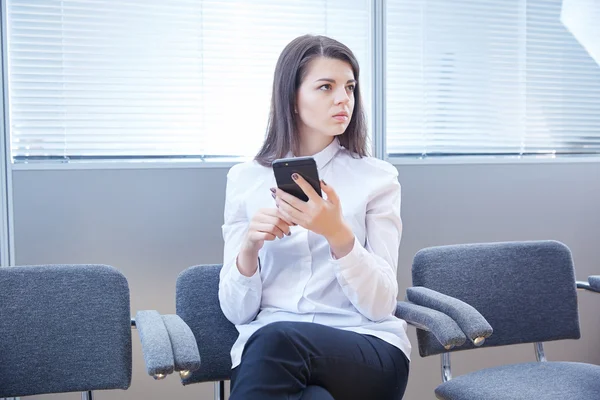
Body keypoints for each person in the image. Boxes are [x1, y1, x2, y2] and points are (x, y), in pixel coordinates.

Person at [219, 34, 410, 400]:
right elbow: (237, 313)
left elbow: (381, 304)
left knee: (276, 339)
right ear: (291, 98)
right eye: (326, 87)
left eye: (350, 87)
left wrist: (337, 234)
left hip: (365, 349)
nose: (344, 99)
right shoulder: (244, 180)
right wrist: (248, 249)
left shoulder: (378, 179)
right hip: (271, 356)